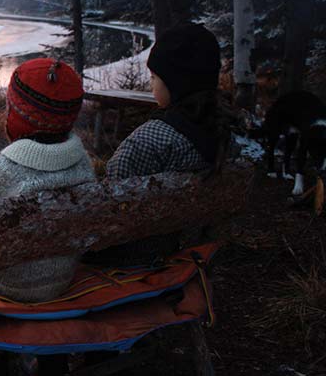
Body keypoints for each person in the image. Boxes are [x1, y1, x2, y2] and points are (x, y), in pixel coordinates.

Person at [92, 22, 234, 266]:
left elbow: (112, 206)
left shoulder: (147, 142)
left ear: (177, 83)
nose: (151, 85)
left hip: (136, 255)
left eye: (154, 77)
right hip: (190, 245)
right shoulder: (223, 131)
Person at [0, 58, 95, 302]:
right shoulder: (82, 163)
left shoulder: (4, 170)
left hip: (7, 284)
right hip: (60, 279)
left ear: (17, 114)